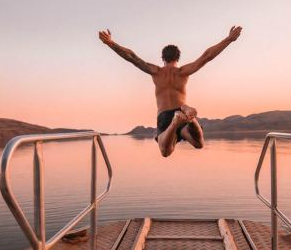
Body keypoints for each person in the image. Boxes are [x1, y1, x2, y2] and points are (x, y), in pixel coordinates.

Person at [99, 26, 242, 157]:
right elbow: (206, 56)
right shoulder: (182, 72)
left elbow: (132, 57)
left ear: (162, 58)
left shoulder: (155, 71)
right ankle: (191, 120)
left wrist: (111, 43)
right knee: (199, 144)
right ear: (178, 57)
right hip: (182, 111)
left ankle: (174, 124)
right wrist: (229, 39)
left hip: (165, 115)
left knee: (165, 151)